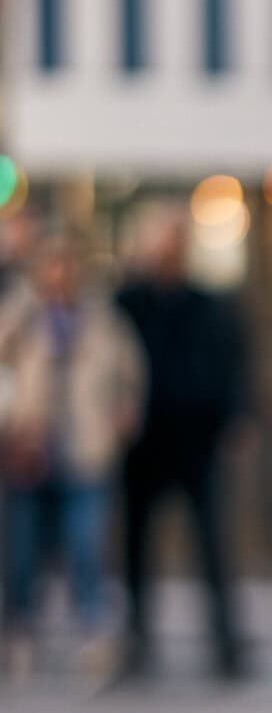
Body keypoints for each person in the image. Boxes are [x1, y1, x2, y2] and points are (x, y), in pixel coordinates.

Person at [113, 205, 254, 682]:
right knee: (135, 545)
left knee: (211, 544)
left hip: (198, 440)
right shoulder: (127, 301)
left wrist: (237, 418)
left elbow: (235, 363)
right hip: (143, 443)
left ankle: (226, 643)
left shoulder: (209, 304)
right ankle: (135, 638)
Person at [1, 230, 144, 684]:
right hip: (31, 449)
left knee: (87, 547)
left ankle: (95, 640)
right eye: (51, 265)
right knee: (22, 554)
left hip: (85, 451)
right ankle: (19, 633)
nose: (59, 275)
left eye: (66, 265)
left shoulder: (102, 318)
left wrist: (124, 412)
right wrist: (23, 304)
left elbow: (131, 373)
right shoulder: (25, 316)